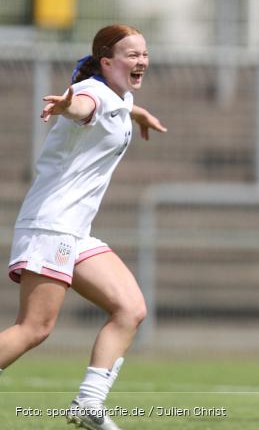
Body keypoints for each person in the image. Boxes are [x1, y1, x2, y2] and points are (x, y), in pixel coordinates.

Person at [0, 24, 167, 430]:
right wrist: (67, 107)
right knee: (34, 329)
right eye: (132, 55)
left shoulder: (118, 96)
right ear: (106, 62)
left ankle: (88, 404)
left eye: (144, 54)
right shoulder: (93, 94)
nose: (141, 61)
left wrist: (137, 111)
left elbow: (114, 106)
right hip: (51, 227)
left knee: (130, 308)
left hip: (73, 232)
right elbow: (86, 108)